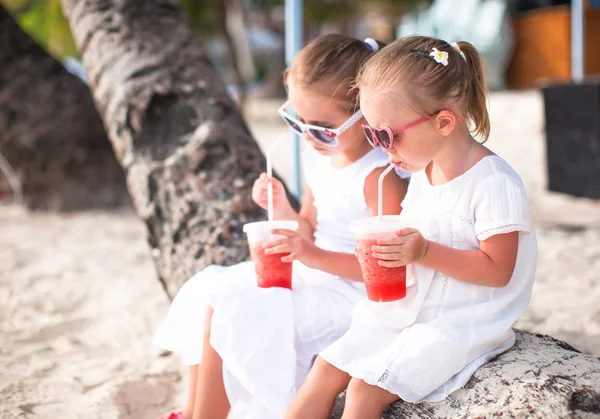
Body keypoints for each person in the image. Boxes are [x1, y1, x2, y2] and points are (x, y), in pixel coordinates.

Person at [153, 34, 409, 419]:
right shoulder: (318, 157)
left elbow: (386, 270)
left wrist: (313, 255)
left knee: (232, 310)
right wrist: (281, 208)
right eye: (298, 121)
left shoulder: (377, 177)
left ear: (365, 114)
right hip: (314, 274)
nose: (309, 136)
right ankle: (192, 410)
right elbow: (308, 226)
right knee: (208, 289)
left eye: (323, 128)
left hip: (352, 297)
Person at [285, 35, 538, 419]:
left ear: (444, 122)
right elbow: (415, 232)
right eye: (372, 134)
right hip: (415, 309)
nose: (381, 148)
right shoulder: (424, 172)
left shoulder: (493, 183)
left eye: (387, 135)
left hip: (463, 320)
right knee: (326, 367)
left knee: (364, 390)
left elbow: (499, 271)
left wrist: (423, 252)